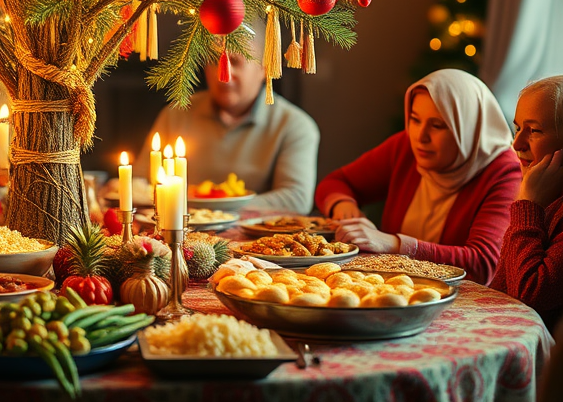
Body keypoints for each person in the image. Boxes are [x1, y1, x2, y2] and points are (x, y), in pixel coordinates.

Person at [316, 68, 521, 285]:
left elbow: (482, 265)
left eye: (438, 125)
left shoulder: (504, 172)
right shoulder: (407, 146)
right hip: (397, 289)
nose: (420, 136)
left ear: (468, 128)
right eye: (415, 119)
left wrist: (395, 245)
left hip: (466, 302)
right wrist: (343, 205)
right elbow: (335, 182)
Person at [137, 39, 320, 214]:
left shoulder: (294, 125)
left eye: (235, 62)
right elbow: (139, 181)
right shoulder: (177, 112)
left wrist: (214, 205)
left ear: (264, 67)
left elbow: (296, 199)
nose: (222, 74)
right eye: (214, 61)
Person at [491, 76, 563, 332]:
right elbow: (503, 286)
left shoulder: (535, 200)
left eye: (534, 130)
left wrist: (528, 204)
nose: (517, 144)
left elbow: (528, 293)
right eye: (518, 127)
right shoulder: (548, 195)